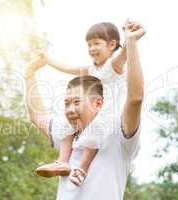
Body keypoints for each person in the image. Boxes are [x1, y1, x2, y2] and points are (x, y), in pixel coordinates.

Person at [25, 20, 145, 199]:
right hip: (84, 130)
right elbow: (37, 115)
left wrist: (131, 43)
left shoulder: (116, 135)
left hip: (106, 119)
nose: (70, 109)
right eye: (66, 103)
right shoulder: (72, 131)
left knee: (94, 136)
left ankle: (81, 169)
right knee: (68, 130)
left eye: (76, 102)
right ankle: (62, 163)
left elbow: (135, 98)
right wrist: (30, 73)